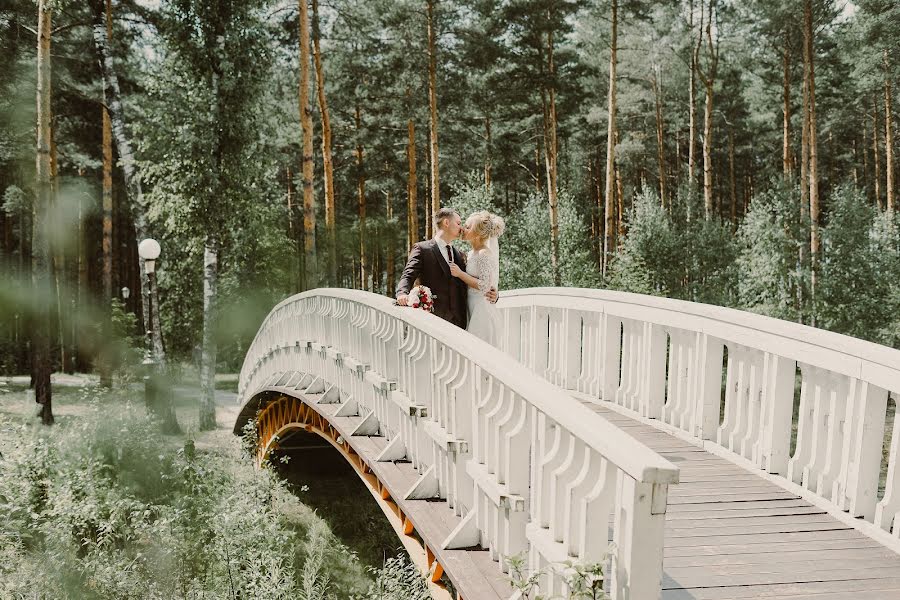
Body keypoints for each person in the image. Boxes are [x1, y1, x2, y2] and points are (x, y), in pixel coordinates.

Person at [396, 207, 497, 329]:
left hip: (460, 323)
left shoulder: (461, 255)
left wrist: (493, 294)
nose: (461, 228)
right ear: (446, 223)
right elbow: (408, 275)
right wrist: (402, 293)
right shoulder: (422, 249)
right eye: (459, 223)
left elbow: (474, 280)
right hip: (433, 321)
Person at [449, 211, 504, 347]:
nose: (463, 229)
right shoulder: (471, 253)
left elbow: (486, 285)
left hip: (481, 310)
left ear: (478, 234)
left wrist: (460, 274)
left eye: (468, 227)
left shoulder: (484, 253)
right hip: (470, 306)